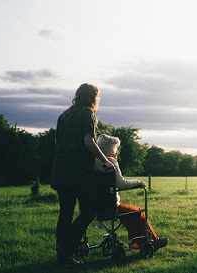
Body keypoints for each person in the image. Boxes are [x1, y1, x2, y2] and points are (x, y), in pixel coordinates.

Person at [51, 83, 116, 266]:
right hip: (78, 172)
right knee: (89, 210)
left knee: (66, 213)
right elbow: (89, 141)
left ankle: (62, 255)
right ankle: (66, 248)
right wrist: (105, 160)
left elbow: (58, 143)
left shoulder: (64, 116)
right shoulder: (87, 113)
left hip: (61, 170)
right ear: (93, 97)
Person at [94, 134, 169, 251]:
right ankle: (153, 241)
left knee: (130, 214)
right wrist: (138, 182)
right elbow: (122, 184)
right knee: (138, 212)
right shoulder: (110, 163)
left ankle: (138, 242)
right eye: (116, 148)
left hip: (94, 207)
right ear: (110, 149)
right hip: (110, 207)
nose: (117, 152)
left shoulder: (93, 162)